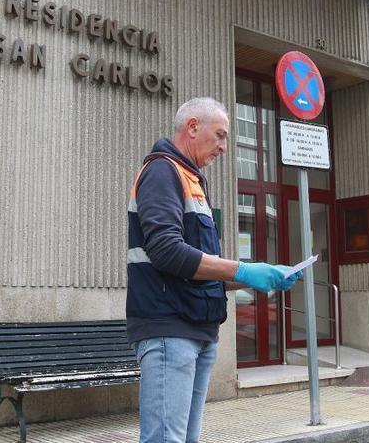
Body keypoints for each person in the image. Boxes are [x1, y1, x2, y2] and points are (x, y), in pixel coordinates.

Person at [126, 97, 302, 443]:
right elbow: (166, 251)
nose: (224, 147)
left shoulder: (192, 180)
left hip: (196, 331)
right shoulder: (163, 171)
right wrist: (245, 270)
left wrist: (261, 276)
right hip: (169, 329)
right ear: (193, 127)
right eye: (220, 135)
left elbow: (196, 268)